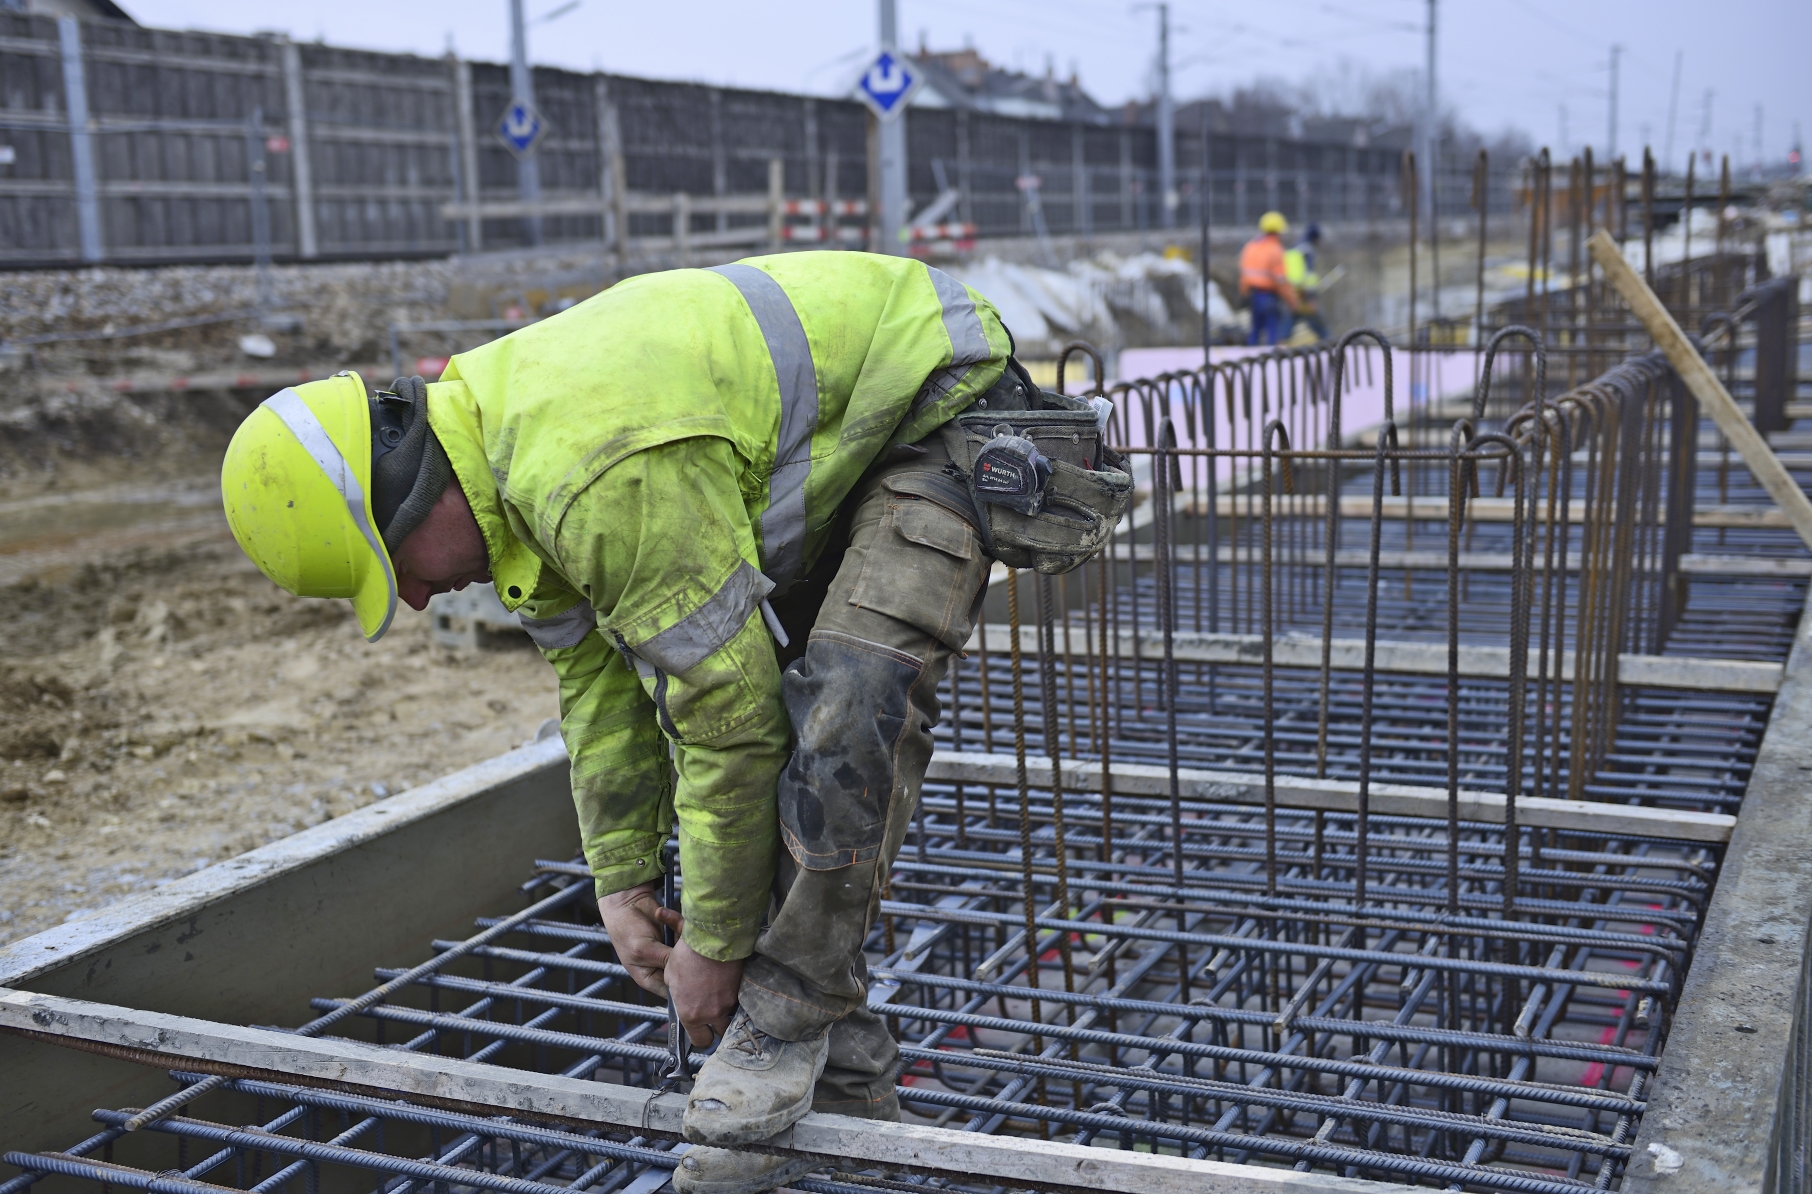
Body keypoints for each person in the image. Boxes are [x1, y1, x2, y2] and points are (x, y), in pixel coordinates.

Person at [218, 252, 1128, 1194]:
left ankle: (783, 1024)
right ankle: (848, 1103)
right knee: (780, 724)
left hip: (935, 405)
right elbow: (602, 696)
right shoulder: (504, 475)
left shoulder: (591, 474)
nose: (411, 598)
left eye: (393, 564)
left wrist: (719, 947)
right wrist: (621, 880)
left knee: (848, 701)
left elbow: (727, 724)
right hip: (831, 443)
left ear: (408, 493)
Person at [1238, 210, 1299, 346]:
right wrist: (1291, 299)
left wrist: (1245, 293)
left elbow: (1244, 274)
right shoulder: (1275, 250)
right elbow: (1281, 280)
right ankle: (1272, 362)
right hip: (1269, 296)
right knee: (1273, 331)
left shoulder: (1250, 247)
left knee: (1254, 330)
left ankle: (1250, 362)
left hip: (1253, 295)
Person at [1284, 223, 1330, 342]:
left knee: (1288, 325)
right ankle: (1331, 345)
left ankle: (1278, 345)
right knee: (1319, 326)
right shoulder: (1308, 250)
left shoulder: (1293, 248)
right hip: (1304, 294)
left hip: (1292, 293)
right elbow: (1308, 276)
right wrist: (1311, 297)